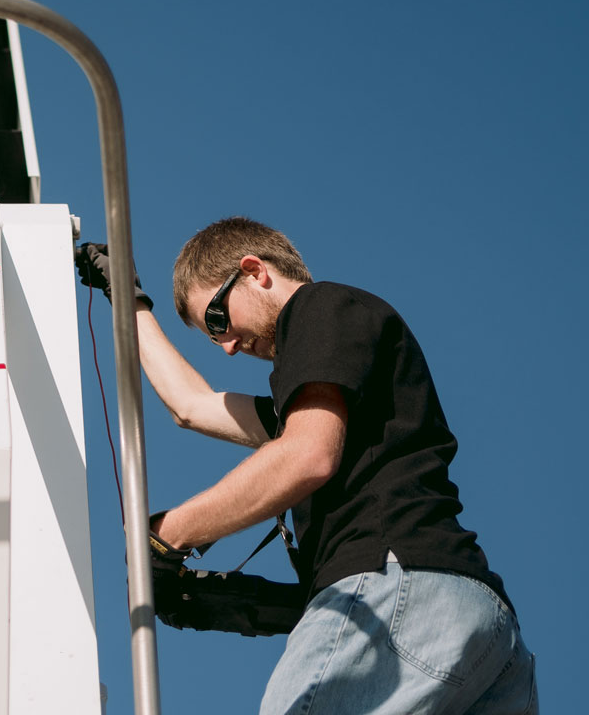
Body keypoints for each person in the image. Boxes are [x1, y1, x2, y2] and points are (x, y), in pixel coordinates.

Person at [76, 217, 537, 715]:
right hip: (482, 632)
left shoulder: (319, 307)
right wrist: (127, 299)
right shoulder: (335, 391)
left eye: (217, 319)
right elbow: (192, 405)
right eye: (214, 338)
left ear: (255, 271)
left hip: (402, 597)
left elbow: (307, 455)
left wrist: (167, 535)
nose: (228, 345)